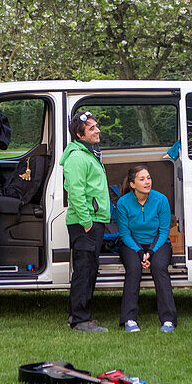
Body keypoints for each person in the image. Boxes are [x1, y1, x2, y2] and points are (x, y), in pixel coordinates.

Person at [60, 110, 111, 332]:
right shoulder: (77, 158)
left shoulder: (89, 154)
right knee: (84, 269)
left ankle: (77, 315)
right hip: (85, 224)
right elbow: (75, 193)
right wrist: (87, 221)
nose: (97, 130)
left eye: (96, 126)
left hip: (93, 220)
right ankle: (80, 319)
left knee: (90, 269)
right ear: (80, 136)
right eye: (91, 128)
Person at [116, 164, 177, 333]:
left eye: (148, 178)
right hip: (132, 244)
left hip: (158, 243)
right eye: (142, 179)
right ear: (132, 184)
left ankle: (168, 320)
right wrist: (140, 252)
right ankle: (129, 319)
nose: (147, 182)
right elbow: (124, 233)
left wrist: (150, 252)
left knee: (159, 267)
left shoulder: (161, 200)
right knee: (134, 269)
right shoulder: (123, 203)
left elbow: (164, 231)